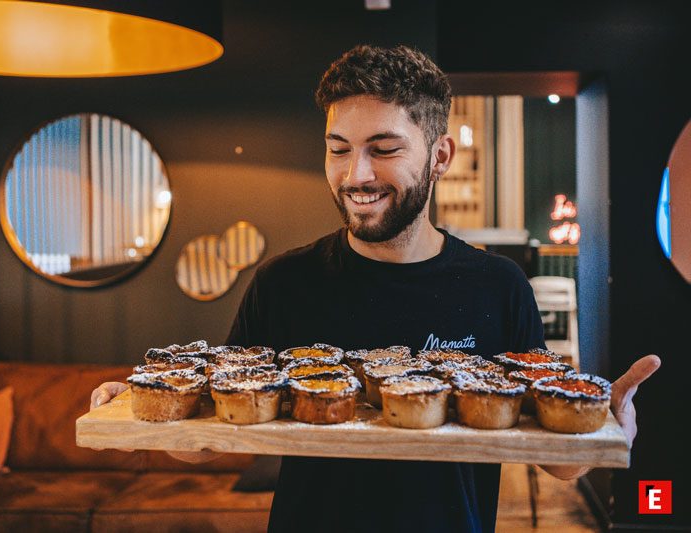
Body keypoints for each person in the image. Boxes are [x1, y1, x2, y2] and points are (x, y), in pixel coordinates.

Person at [91, 44, 661, 532]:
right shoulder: (284, 283)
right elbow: (214, 436)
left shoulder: (497, 285)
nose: (355, 175)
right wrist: (148, 410)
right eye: (339, 149)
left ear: (439, 156)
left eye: (383, 149)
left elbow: (557, 462)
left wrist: (604, 424)